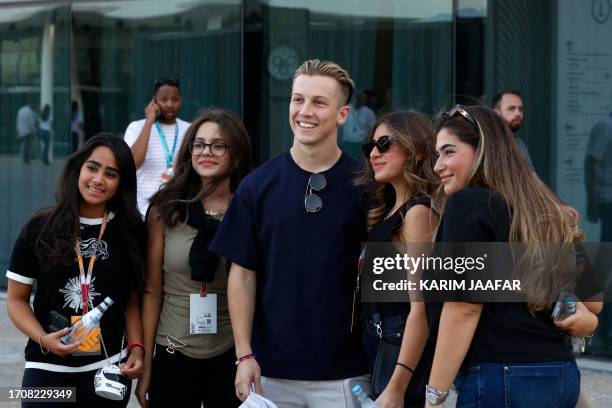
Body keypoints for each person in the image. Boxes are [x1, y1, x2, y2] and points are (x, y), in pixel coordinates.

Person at [210, 59, 370, 407]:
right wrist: (244, 356)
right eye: (298, 99)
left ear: (343, 114)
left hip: (347, 373)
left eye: (319, 102)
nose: (304, 111)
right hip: (270, 375)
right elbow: (242, 277)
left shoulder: (367, 185)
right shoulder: (256, 187)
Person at [423, 104, 602, 407]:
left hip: (500, 376)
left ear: (483, 151)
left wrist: (434, 396)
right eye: (437, 154)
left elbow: (464, 309)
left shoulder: (468, 204)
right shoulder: (543, 208)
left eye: (449, 152)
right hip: (561, 375)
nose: (438, 165)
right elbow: (592, 301)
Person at [6, 133, 145, 407]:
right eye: (92, 168)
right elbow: (16, 300)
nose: (98, 180)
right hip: (46, 368)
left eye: (111, 173)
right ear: (78, 168)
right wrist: (44, 338)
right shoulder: (40, 227)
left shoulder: (131, 232)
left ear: (122, 183)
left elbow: (130, 302)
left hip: (107, 370)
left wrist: (137, 347)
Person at [136, 108, 252, 408]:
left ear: (235, 153)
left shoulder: (250, 210)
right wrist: (147, 364)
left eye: (218, 145)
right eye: (198, 144)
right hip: (173, 351)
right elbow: (151, 290)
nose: (206, 152)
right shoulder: (166, 209)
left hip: (233, 354)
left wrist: (250, 356)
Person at [356, 111, 439, 408]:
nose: (374, 154)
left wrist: (397, 386)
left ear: (414, 149)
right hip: (378, 342)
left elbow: (421, 306)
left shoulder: (418, 212)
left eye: (385, 144)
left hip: (398, 349)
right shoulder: (389, 208)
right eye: (370, 148)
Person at [492, 90, 580, 220]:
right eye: (511, 108)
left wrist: (559, 205)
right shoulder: (487, 142)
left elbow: (533, 179)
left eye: (520, 109)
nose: (518, 113)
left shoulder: (518, 144)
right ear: (495, 113)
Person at [124, 78, 190, 216]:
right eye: (164, 99)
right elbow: (132, 163)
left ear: (181, 101)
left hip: (179, 210)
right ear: (154, 101)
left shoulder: (189, 129)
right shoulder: (136, 127)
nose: (169, 104)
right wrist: (149, 122)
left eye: (174, 99)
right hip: (142, 210)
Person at [343, 90, 377, 157]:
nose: (361, 101)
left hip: (360, 142)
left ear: (365, 101)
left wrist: (368, 140)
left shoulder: (369, 112)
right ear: (356, 98)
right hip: (347, 141)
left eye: (363, 99)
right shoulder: (346, 109)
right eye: (360, 98)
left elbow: (373, 128)